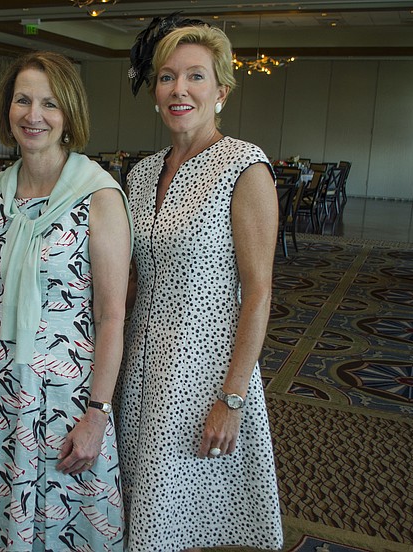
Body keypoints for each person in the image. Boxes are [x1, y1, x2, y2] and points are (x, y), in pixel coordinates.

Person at [115, 15, 284, 551]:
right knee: (143, 509)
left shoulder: (244, 166)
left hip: (204, 374)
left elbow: (258, 293)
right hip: (140, 369)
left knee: (186, 515)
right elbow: (133, 279)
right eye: (167, 77)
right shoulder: (141, 173)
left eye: (195, 76)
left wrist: (231, 398)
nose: (179, 89)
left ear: (221, 92)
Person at [0, 51, 133, 550]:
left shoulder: (99, 195)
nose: (33, 115)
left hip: (66, 397)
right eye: (23, 100)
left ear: (69, 116)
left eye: (49, 104)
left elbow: (110, 316)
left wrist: (97, 413)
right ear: (7, 110)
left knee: (68, 525)